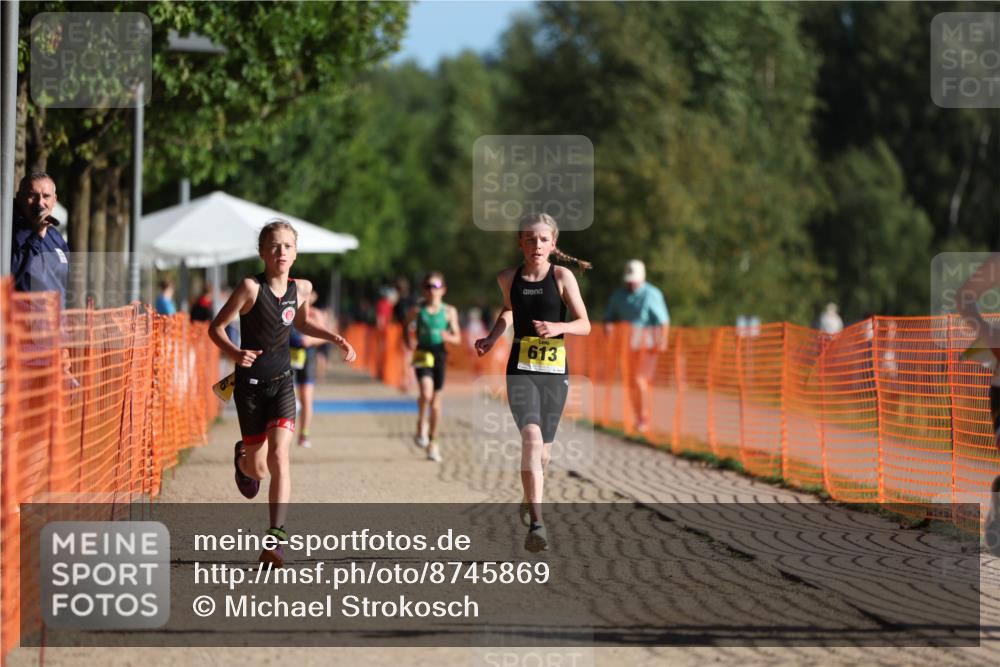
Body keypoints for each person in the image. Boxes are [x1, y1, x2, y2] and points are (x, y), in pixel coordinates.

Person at [209, 219, 357, 567]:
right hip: (249, 388)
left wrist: (334, 337)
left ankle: (275, 540)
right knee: (258, 470)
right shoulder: (250, 288)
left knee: (280, 456)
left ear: (296, 252)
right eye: (274, 246)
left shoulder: (302, 288)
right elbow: (216, 327)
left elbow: (301, 323)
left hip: (282, 383)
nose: (281, 251)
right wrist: (235, 353)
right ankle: (242, 460)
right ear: (262, 252)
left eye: (288, 246)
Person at [475, 212, 591, 552]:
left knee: (544, 454)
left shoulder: (562, 276)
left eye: (543, 240)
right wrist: (493, 337)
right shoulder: (508, 277)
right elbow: (509, 310)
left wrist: (559, 327)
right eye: (530, 239)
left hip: (554, 374)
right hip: (521, 370)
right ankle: (537, 524)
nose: (536, 245)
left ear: (553, 244)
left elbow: (584, 324)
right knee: (531, 438)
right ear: (520, 243)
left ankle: (530, 497)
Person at [603, 259, 670, 434]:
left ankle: (644, 418)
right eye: (629, 281)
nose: (632, 284)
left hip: (648, 345)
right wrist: (608, 325)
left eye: (635, 281)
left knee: (640, 380)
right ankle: (639, 416)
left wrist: (662, 340)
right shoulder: (619, 295)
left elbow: (663, 321)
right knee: (631, 382)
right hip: (627, 346)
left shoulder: (652, 294)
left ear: (642, 278)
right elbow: (609, 316)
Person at [404, 272, 460, 462]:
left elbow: (457, 337)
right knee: (426, 394)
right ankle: (421, 422)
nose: (431, 290)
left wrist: (448, 337)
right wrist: (408, 341)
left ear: (443, 290)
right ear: (423, 290)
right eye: (428, 286)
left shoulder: (449, 311)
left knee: (436, 403)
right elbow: (405, 325)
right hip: (423, 352)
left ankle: (433, 443)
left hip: (439, 354)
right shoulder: (417, 310)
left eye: (435, 286)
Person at [11, 172, 69, 302]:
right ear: (19, 198)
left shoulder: (55, 236)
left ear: (54, 200)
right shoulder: (8, 231)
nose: (40, 203)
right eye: (33, 196)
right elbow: (8, 275)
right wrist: (36, 236)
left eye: (46, 196)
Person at [289, 291, 323, 448]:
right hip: (288, 356)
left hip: (307, 358)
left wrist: (310, 340)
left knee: (306, 398)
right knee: (289, 398)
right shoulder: (289, 311)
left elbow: (324, 336)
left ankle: (304, 434)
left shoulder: (315, 314)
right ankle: (286, 434)